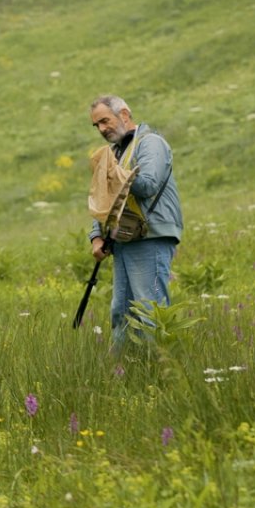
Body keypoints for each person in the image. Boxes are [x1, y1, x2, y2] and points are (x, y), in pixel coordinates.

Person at [87, 95, 183, 352]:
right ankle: (121, 374)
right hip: (124, 239)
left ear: (125, 114)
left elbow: (149, 185)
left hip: (150, 236)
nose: (102, 129)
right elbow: (100, 200)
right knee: (122, 313)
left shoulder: (151, 143)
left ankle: (163, 371)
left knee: (150, 311)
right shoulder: (113, 153)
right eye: (96, 125)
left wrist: (114, 173)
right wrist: (96, 236)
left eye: (105, 121)